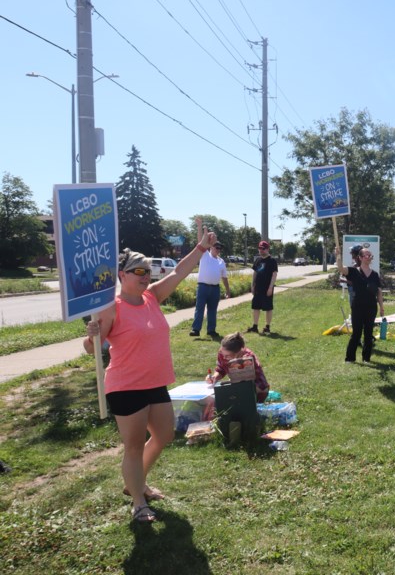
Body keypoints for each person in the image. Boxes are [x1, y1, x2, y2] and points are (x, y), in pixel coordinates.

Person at [84, 230, 218, 523]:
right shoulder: (110, 308)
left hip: (156, 383)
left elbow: (181, 272)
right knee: (133, 446)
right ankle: (138, 502)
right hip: (125, 386)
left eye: (148, 270)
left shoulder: (152, 296)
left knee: (164, 435)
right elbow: (93, 349)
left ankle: (135, 483)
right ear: (122, 275)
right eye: (138, 271)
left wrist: (200, 248)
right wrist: (92, 336)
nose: (145, 275)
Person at [335, 246, 385, 363]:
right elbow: (341, 269)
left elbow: (379, 292)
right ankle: (350, 358)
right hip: (357, 307)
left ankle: (366, 358)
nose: (369, 257)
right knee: (356, 333)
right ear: (360, 258)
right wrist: (338, 256)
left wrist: (381, 307)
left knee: (368, 334)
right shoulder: (353, 271)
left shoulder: (375, 274)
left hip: (371, 307)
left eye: (370, 255)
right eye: (366, 255)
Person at [190, 219, 231, 338]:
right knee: (200, 308)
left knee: (212, 310)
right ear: (211, 247)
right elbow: (200, 241)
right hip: (203, 287)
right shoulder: (205, 255)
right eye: (216, 247)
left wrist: (228, 290)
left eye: (220, 248)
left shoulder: (221, 261)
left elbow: (224, 277)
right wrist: (199, 227)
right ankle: (196, 329)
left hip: (215, 289)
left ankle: (211, 330)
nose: (218, 249)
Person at [207, 332, 270, 403]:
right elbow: (221, 368)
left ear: (238, 352)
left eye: (227, 356)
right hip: (236, 387)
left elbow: (247, 381)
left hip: (257, 388)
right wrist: (214, 377)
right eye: (222, 353)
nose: (224, 357)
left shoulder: (248, 357)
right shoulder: (223, 352)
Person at [248, 240, 278, 335]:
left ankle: (267, 327)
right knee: (255, 307)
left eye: (263, 248)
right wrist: (252, 285)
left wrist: (270, 287)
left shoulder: (272, 261)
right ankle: (255, 326)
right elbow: (255, 273)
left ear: (268, 249)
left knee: (268, 308)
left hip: (267, 288)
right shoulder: (258, 260)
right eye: (260, 248)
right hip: (258, 288)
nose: (261, 250)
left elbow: (274, 275)